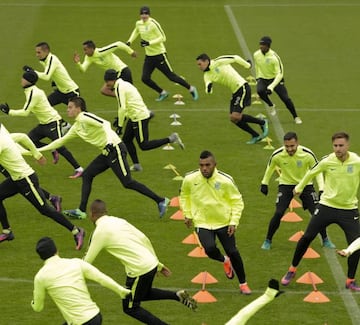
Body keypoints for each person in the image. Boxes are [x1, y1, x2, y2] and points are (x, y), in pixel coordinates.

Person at [38, 96, 170, 219]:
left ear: (78, 108)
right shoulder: (77, 126)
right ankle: (81, 211)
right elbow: (59, 142)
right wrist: (36, 150)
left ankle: (161, 200)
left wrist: (109, 142)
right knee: (87, 175)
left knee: (128, 182)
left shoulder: (84, 117)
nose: (67, 110)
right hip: (107, 152)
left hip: (115, 148)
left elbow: (105, 123)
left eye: (70, 107)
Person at [83, 199, 197, 324]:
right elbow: (144, 238)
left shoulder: (100, 232)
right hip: (150, 263)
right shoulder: (119, 221)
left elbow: (86, 262)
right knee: (142, 294)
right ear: (106, 211)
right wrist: (158, 264)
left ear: (92, 215)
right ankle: (176, 296)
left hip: (139, 270)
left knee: (130, 307)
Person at [281, 132, 360, 291]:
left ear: (347, 146)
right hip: (326, 207)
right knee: (307, 237)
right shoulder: (327, 160)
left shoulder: (357, 162)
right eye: (335, 146)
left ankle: (350, 280)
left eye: (341, 145)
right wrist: (300, 187)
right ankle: (292, 269)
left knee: (355, 245)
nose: (338, 149)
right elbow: (311, 173)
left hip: (349, 210)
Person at [0, 123, 84, 249]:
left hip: (26, 180)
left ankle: (76, 231)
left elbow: (22, 137)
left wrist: (36, 154)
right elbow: (22, 136)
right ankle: (7, 232)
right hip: (16, 179)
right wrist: (36, 154)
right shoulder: (4, 136)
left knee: (44, 209)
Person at [180, 150, 252, 294]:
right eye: (201, 165)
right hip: (202, 222)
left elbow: (237, 201)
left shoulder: (226, 180)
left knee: (233, 251)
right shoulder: (189, 179)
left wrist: (233, 222)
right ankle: (224, 260)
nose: (204, 168)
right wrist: (187, 214)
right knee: (210, 249)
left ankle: (243, 284)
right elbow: (184, 196)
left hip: (224, 222)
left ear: (215, 165)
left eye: (207, 165)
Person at [0, 70, 83, 178]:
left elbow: (25, 112)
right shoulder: (31, 90)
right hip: (43, 124)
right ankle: (52, 149)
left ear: (28, 81)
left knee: (60, 147)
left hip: (53, 122)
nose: (21, 79)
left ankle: (79, 169)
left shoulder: (33, 93)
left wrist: (9, 111)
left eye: (23, 78)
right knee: (30, 142)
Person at [259, 131, 335, 250]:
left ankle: (325, 239)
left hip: (305, 184)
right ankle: (268, 240)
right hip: (286, 185)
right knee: (279, 213)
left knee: (316, 212)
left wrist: (321, 188)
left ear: (297, 143)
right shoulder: (277, 154)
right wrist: (264, 183)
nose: (289, 149)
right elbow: (271, 167)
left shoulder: (307, 154)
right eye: (287, 146)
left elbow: (317, 170)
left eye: (292, 146)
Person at [32, 237, 131, 324]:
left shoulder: (41, 277)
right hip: (95, 316)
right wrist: (120, 291)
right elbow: (101, 278)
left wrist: (33, 303)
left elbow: (38, 308)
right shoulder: (76, 263)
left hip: (80, 322)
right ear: (56, 250)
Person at [104, 69, 185, 172]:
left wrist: (120, 126)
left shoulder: (120, 88)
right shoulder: (122, 84)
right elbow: (129, 104)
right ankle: (137, 165)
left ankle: (171, 139)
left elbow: (122, 107)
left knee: (144, 145)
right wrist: (122, 119)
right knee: (127, 140)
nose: (106, 85)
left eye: (107, 82)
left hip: (139, 117)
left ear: (113, 80)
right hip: (134, 115)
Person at [127, 6, 199, 102]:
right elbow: (136, 31)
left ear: (149, 14)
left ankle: (191, 88)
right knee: (145, 78)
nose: (144, 16)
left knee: (171, 77)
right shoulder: (138, 23)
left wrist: (149, 43)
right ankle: (162, 93)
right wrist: (129, 41)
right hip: (149, 57)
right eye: (142, 14)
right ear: (140, 15)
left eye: (146, 14)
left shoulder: (153, 24)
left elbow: (163, 38)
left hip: (160, 55)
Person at [196, 53, 268, 144]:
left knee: (235, 116)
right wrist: (209, 87)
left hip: (242, 87)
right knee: (233, 119)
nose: (199, 67)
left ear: (206, 61)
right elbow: (208, 89)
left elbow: (235, 58)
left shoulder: (219, 61)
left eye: (200, 64)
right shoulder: (206, 75)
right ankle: (255, 135)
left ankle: (262, 122)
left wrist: (248, 65)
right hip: (235, 92)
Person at [3, 132, 62, 212]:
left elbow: (20, 137)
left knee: (20, 182)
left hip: (7, 159)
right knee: (18, 182)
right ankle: (52, 198)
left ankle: (50, 201)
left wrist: (36, 154)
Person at [253, 36, 302, 124]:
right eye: (260, 44)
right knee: (259, 91)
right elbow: (257, 66)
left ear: (268, 46)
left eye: (263, 45)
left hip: (276, 79)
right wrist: (258, 78)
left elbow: (280, 73)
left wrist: (271, 87)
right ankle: (271, 105)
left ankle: (296, 116)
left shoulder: (274, 57)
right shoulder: (256, 54)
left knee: (285, 99)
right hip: (263, 78)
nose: (261, 46)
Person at [24, 42, 80, 107]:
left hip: (71, 92)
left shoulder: (52, 60)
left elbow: (46, 76)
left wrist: (32, 72)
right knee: (44, 107)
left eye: (39, 52)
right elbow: (55, 73)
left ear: (46, 52)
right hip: (60, 92)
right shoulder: (44, 60)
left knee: (80, 114)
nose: (37, 55)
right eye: (36, 52)